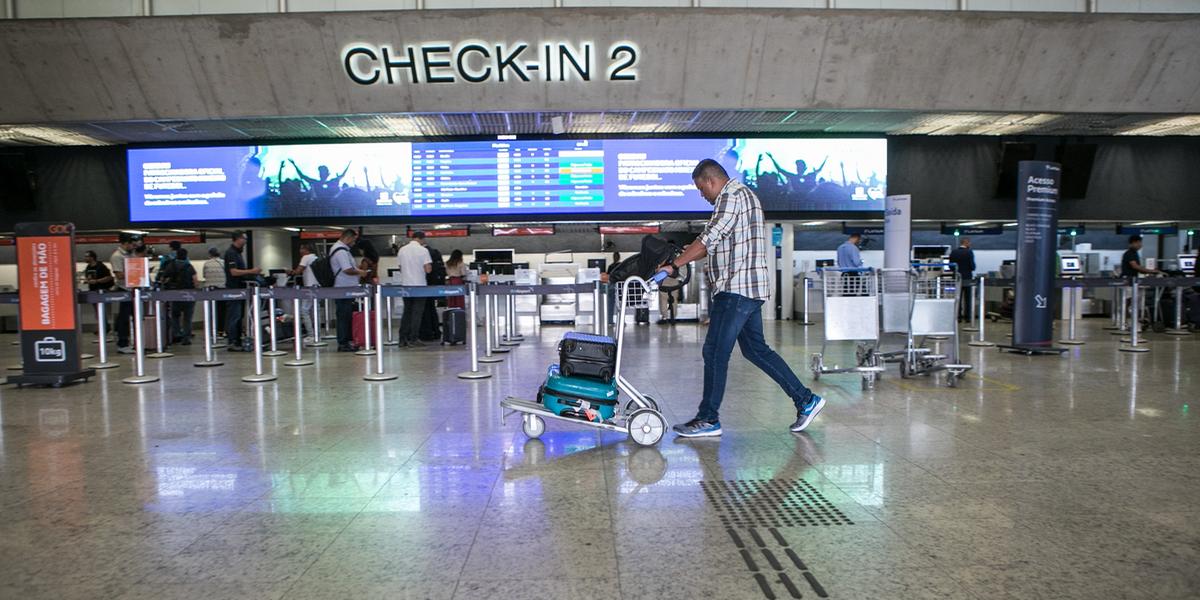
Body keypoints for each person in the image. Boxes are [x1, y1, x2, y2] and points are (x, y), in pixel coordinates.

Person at [660, 159, 823, 438]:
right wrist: (685, 255)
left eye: (701, 189)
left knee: (714, 352)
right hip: (748, 288)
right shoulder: (742, 197)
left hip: (736, 289)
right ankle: (806, 400)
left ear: (711, 181)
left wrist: (674, 266)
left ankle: (708, 418)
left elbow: (709, 238)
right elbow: (710, 244)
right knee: (756, 350)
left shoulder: (731, 196)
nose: (702, 195)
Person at [224, 231, 262, 352]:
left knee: (239, 316)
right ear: (237, 239)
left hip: (240, 288)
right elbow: (233, 272)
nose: (246, 241)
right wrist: (251, 271)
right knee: (234, 316)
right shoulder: (231, 253)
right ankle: (232, 341)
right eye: (244, 239)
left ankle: (237, 339)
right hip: (233, 289)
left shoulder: (238, 253)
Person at [397, 231, 433, 347]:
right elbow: (428, 269)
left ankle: (402, 339)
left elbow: (400, 268)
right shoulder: (423, 250)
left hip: (406, 285)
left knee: (407, 312)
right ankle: (413, 338)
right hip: (419, 285)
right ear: (422, 239)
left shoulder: (402, 250)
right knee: (417, 313)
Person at [330, 229, 363, 352]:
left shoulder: (339, 249)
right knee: (344, 316)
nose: (354, 243)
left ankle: (346, 341)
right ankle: (343, 343)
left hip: (345, 288)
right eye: (353, 240)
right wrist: (361, 272)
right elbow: (347, 269)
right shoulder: (341, 251)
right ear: (348, 238)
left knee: (346, 315)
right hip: (343, 288)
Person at [162, 248, 198, 345]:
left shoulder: (171, 265)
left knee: (175, 315)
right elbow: (195, 280)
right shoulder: (189, 266)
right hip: (188, 294)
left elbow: (164, 278)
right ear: (186, 256)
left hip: (174, 294)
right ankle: (186, 338)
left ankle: (176, 334)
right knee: (187, 317)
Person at [109, 235, 138, 354]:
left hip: (133, 288)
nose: (134, 246)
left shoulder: (130, 254)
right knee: (124, 317)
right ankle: (122, 343)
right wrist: (135, 272)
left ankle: (134, 341)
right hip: (123, 289)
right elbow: (119, 275)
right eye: (132, 244)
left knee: (134, 317)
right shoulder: (117, 256)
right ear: (126, 243)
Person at [290, 243, 319, 343]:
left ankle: (311, 334)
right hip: (318, 287)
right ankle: (317, 333)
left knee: (304, 310)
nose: (300, 251)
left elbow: (298, 271)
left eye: (301, 248)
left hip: (309, 287)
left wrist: (289, 272)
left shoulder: (305, 258)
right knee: (314, 310)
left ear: (306, 249)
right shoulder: (316, 257)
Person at [83, 250, 114, 338]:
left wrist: (96, 281)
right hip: (93, 291)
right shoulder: (88, 267)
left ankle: (104, 327)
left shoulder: (101, 266)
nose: (85, 258)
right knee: (98, 310)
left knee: (101, 310)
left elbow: (109, 277)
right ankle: (104, 327)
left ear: (92, 257)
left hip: (101, 291)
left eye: (87, 256)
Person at [948, 237, 976, 322]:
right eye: (969, 243)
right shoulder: (969, 252)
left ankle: (958, 316)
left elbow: (950, 265)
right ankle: (968, 317)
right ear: (966, 243)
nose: (970, 244)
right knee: (968, 298)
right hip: (967, 277)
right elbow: (972, 266)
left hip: (957, 277)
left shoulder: (954, 252)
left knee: (958, 297)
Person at [202, 247, 227, 337]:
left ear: (210, 254)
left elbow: (204, 275)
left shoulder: (206, 263)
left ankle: (211, 330)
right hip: (222, 289)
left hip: (210, 291)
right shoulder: (223, 263)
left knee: (210, 311)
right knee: (222, 311)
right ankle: (221, 330)